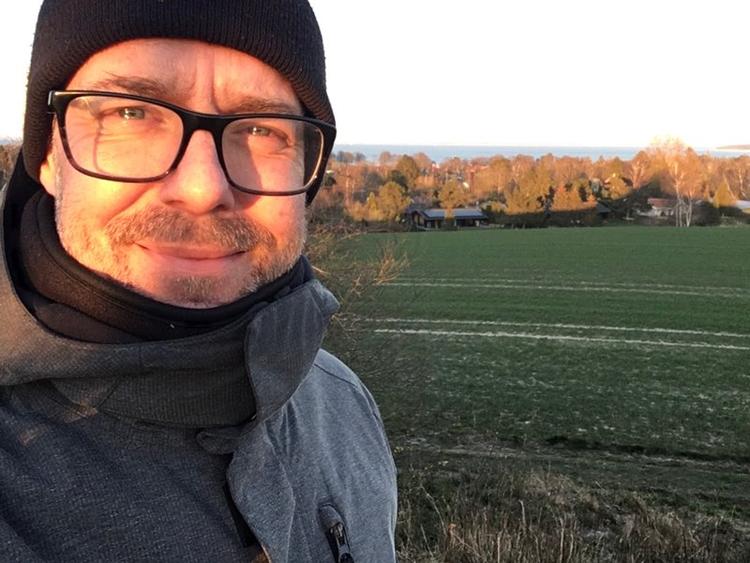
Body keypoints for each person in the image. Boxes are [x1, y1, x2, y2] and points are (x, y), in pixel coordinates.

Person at [0, 1, 397, 561]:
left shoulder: (339, 404)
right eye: (132, 114)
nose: (202, 189)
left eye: (260, 129)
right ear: (47, 153)